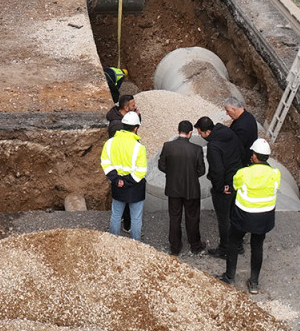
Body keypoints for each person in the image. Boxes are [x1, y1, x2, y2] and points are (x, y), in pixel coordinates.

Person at [224, 138, 282, 294]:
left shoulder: (243, 173)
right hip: (264, 217)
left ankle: (229, 276)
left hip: (243, 215)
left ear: (255, 156)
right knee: (257, 246)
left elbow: (235, 185)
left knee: (233, 242)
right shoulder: (275, 174)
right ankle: (254, 282)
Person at [196, 115, 245, 259]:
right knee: (234, 214)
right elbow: (241, 152)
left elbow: (217, 170)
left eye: (200, 133)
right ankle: (238, 244)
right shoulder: (229, 133)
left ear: (207, 132)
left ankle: (225, 249)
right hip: (237, 180)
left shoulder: (213, 146)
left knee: (224, 219)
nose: (201, 136)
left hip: (225, 186)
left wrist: (220, 187)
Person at [158, 120, 207, 256]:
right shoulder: (196, 149)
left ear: (178, 130)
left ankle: (175, 246)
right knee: (192, 217)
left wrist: (172, 173)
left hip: (173, 188)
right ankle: (195, 245)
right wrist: (191, 175)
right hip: (191, 189)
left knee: (174, 217)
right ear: (190, 133)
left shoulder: (168, 146)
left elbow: (161, 165)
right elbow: (201, 171)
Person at [101, 111, 148, 242]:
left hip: (117, 185)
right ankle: (135, 244)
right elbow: (141, 171)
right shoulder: (139, 148)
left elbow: (105, 162)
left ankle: (114, 242)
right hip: (134, 186)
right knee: (136, 217)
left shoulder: (110, 143)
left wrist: (117, 180)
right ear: (136, 128)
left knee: (116, 215)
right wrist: (126, 181)